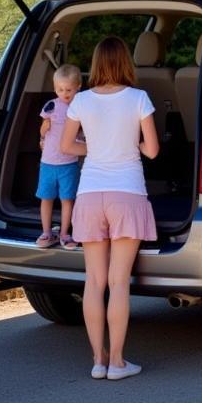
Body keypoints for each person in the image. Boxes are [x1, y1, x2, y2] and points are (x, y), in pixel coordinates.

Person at [60, 36, 159, 381]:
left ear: (97, 64)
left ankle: (97, 361)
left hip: (89, 196)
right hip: (127, 194)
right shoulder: (138, 99)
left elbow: (66, 145)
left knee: (94, 281)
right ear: (126, 63)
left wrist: (95, 147)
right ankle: (118, 362)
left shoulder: (81, 101)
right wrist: (127, 141)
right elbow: (153, 151)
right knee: (119, 282)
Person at [35, 63, 85, 249]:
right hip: (48, 163)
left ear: (78, 86)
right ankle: (47, 232)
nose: (64, 93)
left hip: (69, 163)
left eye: (69, 89)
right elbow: (42, 132)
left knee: (67, 199)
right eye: (60, 89)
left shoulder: (81, 106)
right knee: (46, 198)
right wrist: (43, 129)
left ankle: (65, 233)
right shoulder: (50, 106)